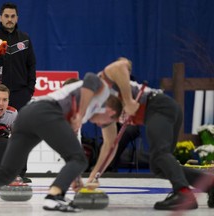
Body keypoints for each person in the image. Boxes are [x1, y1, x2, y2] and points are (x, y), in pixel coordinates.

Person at [0, 72, 123, 212]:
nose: (101, 124)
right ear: (110, 111)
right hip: (44, 112)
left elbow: (71, 148)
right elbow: (92, 77)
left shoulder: (81, 112)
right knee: (80, 158)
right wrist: (82, 113)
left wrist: (75, 178)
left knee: (6, 174)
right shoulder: (100, 95)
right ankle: (54, 196)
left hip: (26, 115)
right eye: (107, 121)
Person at [86, 57, 214, 211]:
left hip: (160, 106)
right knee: (159, 166)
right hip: (161, 112)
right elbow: (109, 146)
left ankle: (183, 193)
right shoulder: (103, 115)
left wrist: (127, 100)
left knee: (160, 154)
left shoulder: (100, 84)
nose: (98, 124)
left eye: (94, 120)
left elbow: (122, 64)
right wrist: (93, 176)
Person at [0, 2, 36, 111]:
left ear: (17, 18)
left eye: (12, 16)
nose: (9, 19)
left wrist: (30, 89)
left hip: (21, 93)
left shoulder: (25, 38)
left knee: (20, 127)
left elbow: (31, 65)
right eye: (6, 16)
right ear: (0, 18)